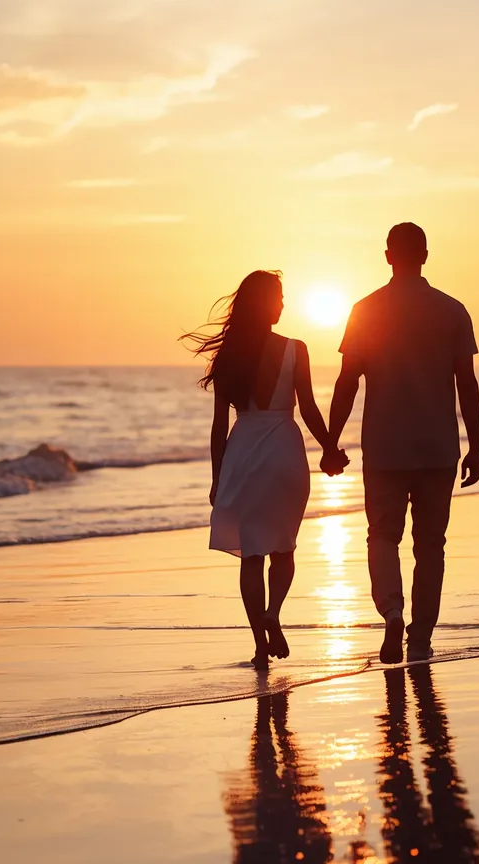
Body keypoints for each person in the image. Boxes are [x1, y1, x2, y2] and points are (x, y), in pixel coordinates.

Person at [328, 223, 479, 665]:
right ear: (426, 256)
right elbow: (466, 383)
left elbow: (347, 380)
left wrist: (332, 441)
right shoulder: (452, 310)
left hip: (384, 446)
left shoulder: (366, 310)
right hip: (437, 447)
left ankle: (392, 612)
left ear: (388, 256)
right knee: (431, 544)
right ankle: (421, 636)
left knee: (382, 536)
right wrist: (475, 445)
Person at [184, 270, 350, 669]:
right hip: (284, 453)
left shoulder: (229, 356)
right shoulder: (297, 349)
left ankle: (260, 643)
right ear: (264, 303)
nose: (282, 304)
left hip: (244, 455)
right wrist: (330, 449)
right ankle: (274, 610)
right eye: (277, 297)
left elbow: (219, 426)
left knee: (251, 555)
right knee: (284, 547)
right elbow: (308, 408)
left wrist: (216, 476)